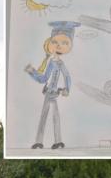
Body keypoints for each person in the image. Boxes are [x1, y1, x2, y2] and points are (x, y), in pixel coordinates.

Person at [25, 21, 80, 149]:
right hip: (50, 93)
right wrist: (32, 72)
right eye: (55, 43)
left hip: (53, 93)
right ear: (50, 44)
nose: (59, 47)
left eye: (65, 43)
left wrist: (67, 89)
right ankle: (44, 141)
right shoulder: (53, 63)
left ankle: (54, 141)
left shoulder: (59, 63)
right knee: (49, 116)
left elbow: (67, 76)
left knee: (52, 116)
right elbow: (44, 78)